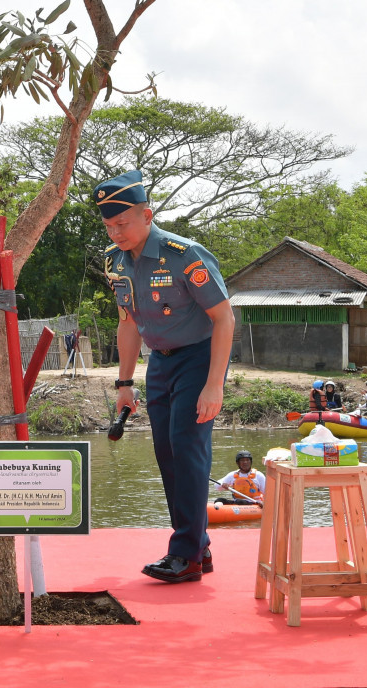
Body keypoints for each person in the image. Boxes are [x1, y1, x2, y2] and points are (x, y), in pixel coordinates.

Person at [95, 170, 234, 584]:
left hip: (199, 356)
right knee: (167, 454)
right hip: (160, 361)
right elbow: (127, 323)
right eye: (109, 225)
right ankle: (198, 548)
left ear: (147, 214)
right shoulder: (114, 261)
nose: (116, 232)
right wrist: (124, 384)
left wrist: (215, 383)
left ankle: (186, 553)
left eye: (123, 223)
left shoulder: (184, 254)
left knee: (187, 448)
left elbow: (224, 318)